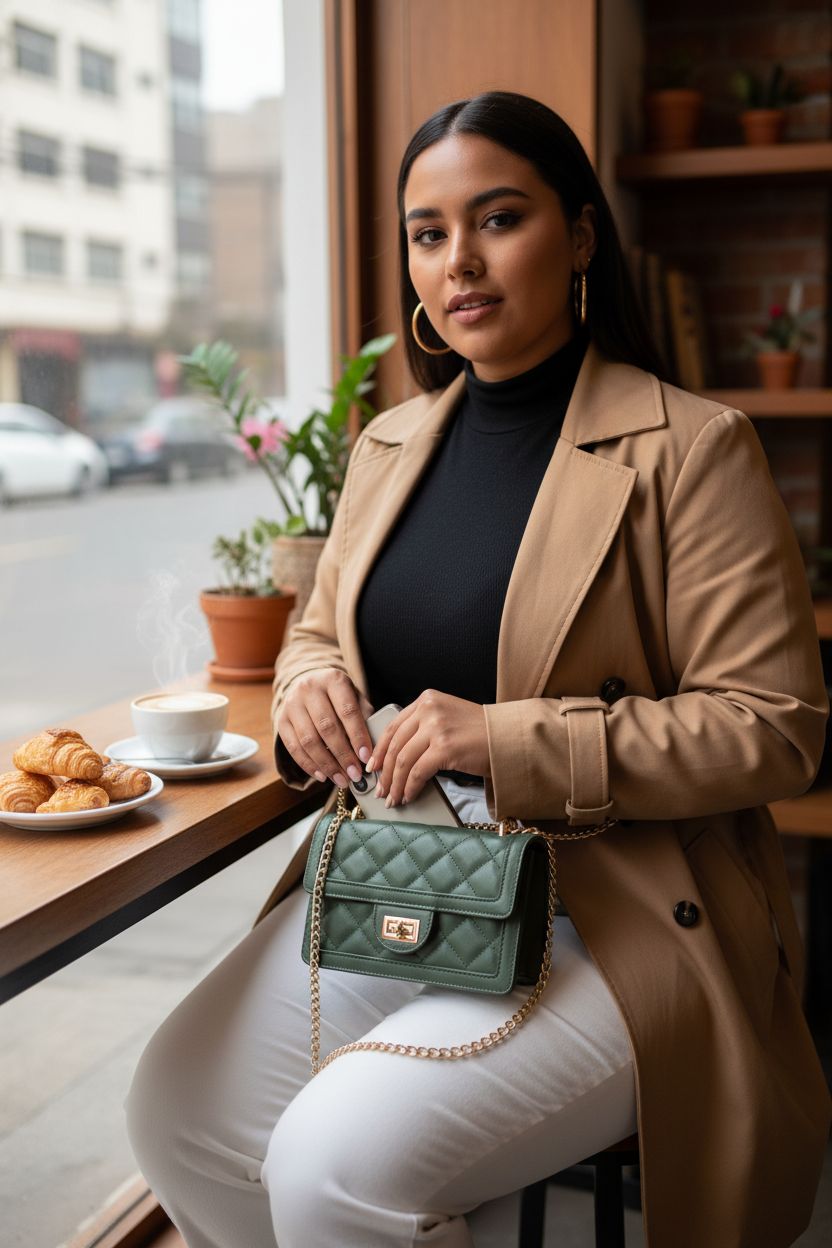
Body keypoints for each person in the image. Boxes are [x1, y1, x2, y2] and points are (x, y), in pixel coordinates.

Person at [125, 90, 831, 1248]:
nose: (460, 261)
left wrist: (500, 739)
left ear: (582, 234)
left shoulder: (692, 448)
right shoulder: (389, 447)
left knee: (329, 1165)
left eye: (498, 218)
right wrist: (309, 685)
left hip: (615, 912)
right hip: (402, 884)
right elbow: (318, 630)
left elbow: (772, 727)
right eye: (428, 231)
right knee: (178, 1117)